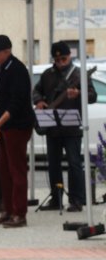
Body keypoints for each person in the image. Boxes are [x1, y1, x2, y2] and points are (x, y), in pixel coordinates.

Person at [33, 41, 96, 212]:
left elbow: (92, 96)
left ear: (70, 56)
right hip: (52, 126)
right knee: (53, 164)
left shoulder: (79, 75)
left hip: (72, 127)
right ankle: (56, 198)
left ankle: (77, 200)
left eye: (64, 58)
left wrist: (79, 94)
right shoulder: (47, 75)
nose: (61, 62)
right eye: (57, 59)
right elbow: (36, 90)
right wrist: (38, 101)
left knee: (74, 163)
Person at [0, 34, 34, 228]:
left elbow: (16, 103)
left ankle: (19, 213)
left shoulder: (17, 69)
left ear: (6, 51)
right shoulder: (2, 68)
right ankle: (7, 209)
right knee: (3, 170)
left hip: (18, 125)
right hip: (6, 127)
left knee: (17, 170)